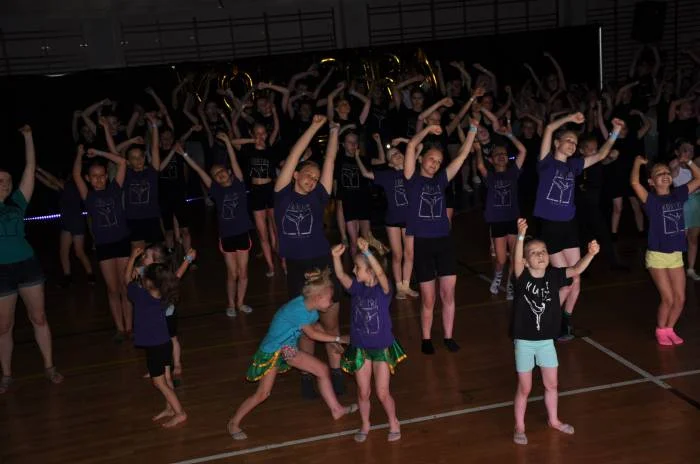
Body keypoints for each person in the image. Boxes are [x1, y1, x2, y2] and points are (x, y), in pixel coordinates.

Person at [226, 268, 358, 440]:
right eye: (329, 298)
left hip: (287, 348)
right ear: (317, 297)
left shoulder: (311, 309)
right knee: (263, 394)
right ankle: (233, 422)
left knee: (322, 370)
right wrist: (339, 338)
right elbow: (312, 334)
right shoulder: (298, 309)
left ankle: (337, 410)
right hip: (272, 351)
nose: (332, 302)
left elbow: (316, 327)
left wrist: (332, 342)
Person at [274, 115, 345, 397]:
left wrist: (334, 132)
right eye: (307, 175)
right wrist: (314, 127)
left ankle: (336, 372)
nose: (312, 180)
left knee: (330, 322)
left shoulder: (318, 197)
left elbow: (330, 161)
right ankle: (307, 376)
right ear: (295, 175)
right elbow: (294, 155)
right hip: (297, 268)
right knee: (306, 327)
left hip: (322, 263)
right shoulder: (282, 195)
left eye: (316, 178)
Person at [534, 113, 622, 340]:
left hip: (569, 227)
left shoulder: (574, 165)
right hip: (551, 229)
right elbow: (549, 128)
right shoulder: (546, 163)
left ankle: (565, 321)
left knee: (576, 279)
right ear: (557, 143)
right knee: (565, 282)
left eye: (575, 142)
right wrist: (570, 118)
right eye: (568, 140)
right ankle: (547, 322)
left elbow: (600, 155)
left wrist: (615, 132)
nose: (572, 145)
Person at [511, 218, 599, 445]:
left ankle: (554, 420)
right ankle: (519, 426)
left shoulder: (553, 276)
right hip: (525, 342)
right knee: (525, 387)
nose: (540, 255)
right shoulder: (522, 279)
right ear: (526, 261)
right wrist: (521, 236)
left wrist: (590, 254)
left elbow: (576, 269)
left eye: (543, 251)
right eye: (534, 253)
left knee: (552, 384)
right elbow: (516, 261)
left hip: (546, 342)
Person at [403, 122, 477, 354]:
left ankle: (448, 336)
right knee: (428, 298)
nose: (434, 164)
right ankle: (426, 338)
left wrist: (472, 130)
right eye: (431, 159)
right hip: (423, 244)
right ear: (421, 159)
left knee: (448, 293)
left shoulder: (441, 179)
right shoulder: (412, 180)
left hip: (444, 242)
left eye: (438, 161)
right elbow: (411, 145)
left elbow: (462, 155)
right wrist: (427, 130)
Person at [0, 125, 64, 394]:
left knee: (38, 317)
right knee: (4, 326)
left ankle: (49, 366)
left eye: (7, 180)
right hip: (1, 271)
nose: (4, 183)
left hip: (27, 265)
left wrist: (28, 137)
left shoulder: (18, 201)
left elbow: (29, 167)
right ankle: (6, 374)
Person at [332, 238, 405, 443]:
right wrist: (335, 257)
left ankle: (394, 422)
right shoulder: (357, 288)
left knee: (382, 392)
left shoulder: (384, 290)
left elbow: (381, 274)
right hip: (360, 348)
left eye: (357, 267)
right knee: (363, 392)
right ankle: (365, 423)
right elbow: (340, 275)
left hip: (381, 348)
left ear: (371, 270)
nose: (354, 270)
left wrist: (368, 253)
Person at [178, 133, 254, 317]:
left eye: (221, 171)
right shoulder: (216, 190)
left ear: (229, 171)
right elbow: (199, 170)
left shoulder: (238, 184)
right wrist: (185, 155)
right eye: (215, 175)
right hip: (227, 236)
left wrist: (227, 143)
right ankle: (231, 304)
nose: (219, 175)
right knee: (232, 273)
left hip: (242, 234)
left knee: (243, 272)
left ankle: (240, 302)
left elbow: (234, 161)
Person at [630, 155, 700, 345]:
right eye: (659, 173)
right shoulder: (651, 201)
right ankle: (661, 330)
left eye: (667, 172)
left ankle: (670, 328)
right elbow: (634, 182)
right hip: (657, 256)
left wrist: (688, 162)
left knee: (680, 298)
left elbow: (699, 178)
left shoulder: (678, 194)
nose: (665, 175)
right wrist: (637, 163)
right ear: (651, 182)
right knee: (668, 298)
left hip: (676, 255)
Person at [125, 246, 193, 428]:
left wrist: (132, 258)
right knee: (166, 379)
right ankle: (170, 408)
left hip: (154, 346)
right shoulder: (163, 295)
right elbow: (175, 278)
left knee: (159, 383)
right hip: (164, 344)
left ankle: (180, 413)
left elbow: (126, 281)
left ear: (148, 282)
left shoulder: (141, 296)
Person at [73, 145, 133, 341]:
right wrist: (80, 154)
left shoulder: (115, 189)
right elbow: (75, 174)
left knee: (125, 287)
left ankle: (130, 327)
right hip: (104, 246)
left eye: (101, 175)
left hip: (122, 242)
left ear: (107, 176)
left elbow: (122, 162)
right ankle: (119, 328)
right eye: (94, 176)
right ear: (88, 179)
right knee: (112, 289)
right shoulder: (89, 196)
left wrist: (98, 152)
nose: (98, 179)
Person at [355, 143, 418, 299]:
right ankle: (399, 287)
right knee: (397, 255)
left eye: (398, 152)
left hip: (410, 220)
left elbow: (420, 146)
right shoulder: (387, 175)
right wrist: (357, 156)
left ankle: (406, 286)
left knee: (410, 254)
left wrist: (404, 141)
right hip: (393, 220)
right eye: (392, 155)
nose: (397, 155)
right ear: (390, 163)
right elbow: (365, 173)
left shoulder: (412, 171)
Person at [474, 122, 527, 299]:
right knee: (501, 259)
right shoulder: (490, 176)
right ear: (491, 160)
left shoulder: (513, 173)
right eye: (497, 155)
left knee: (514, 256)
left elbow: (523, 151)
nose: (501, 156)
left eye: (504, 154)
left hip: (512, 219)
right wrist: (478, 150)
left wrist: (510, 135)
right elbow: (480, 166)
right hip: (497, 221)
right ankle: (497, 276)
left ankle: (510, 283)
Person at [138, 244, 195, 383]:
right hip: (153, 316)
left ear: (156, 261)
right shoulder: (144, 271)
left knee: (171, 338)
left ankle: (177, 363)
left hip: (167, 315)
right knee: (153, 342)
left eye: (146, 256)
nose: (143, 258)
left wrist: (187, 260)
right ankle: (155, 369)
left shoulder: (162, 274)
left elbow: (177, 276)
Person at [34, 167, 95, 287]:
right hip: (67, 223)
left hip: (76, 222)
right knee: (63, 251)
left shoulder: (71, 186)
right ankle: (68, 277)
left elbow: (53, 180)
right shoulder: (63, 189)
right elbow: (49, 183)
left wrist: (39, 169)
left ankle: (91, 274)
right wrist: (34, 174)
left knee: (79, 252)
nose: (60, 179)